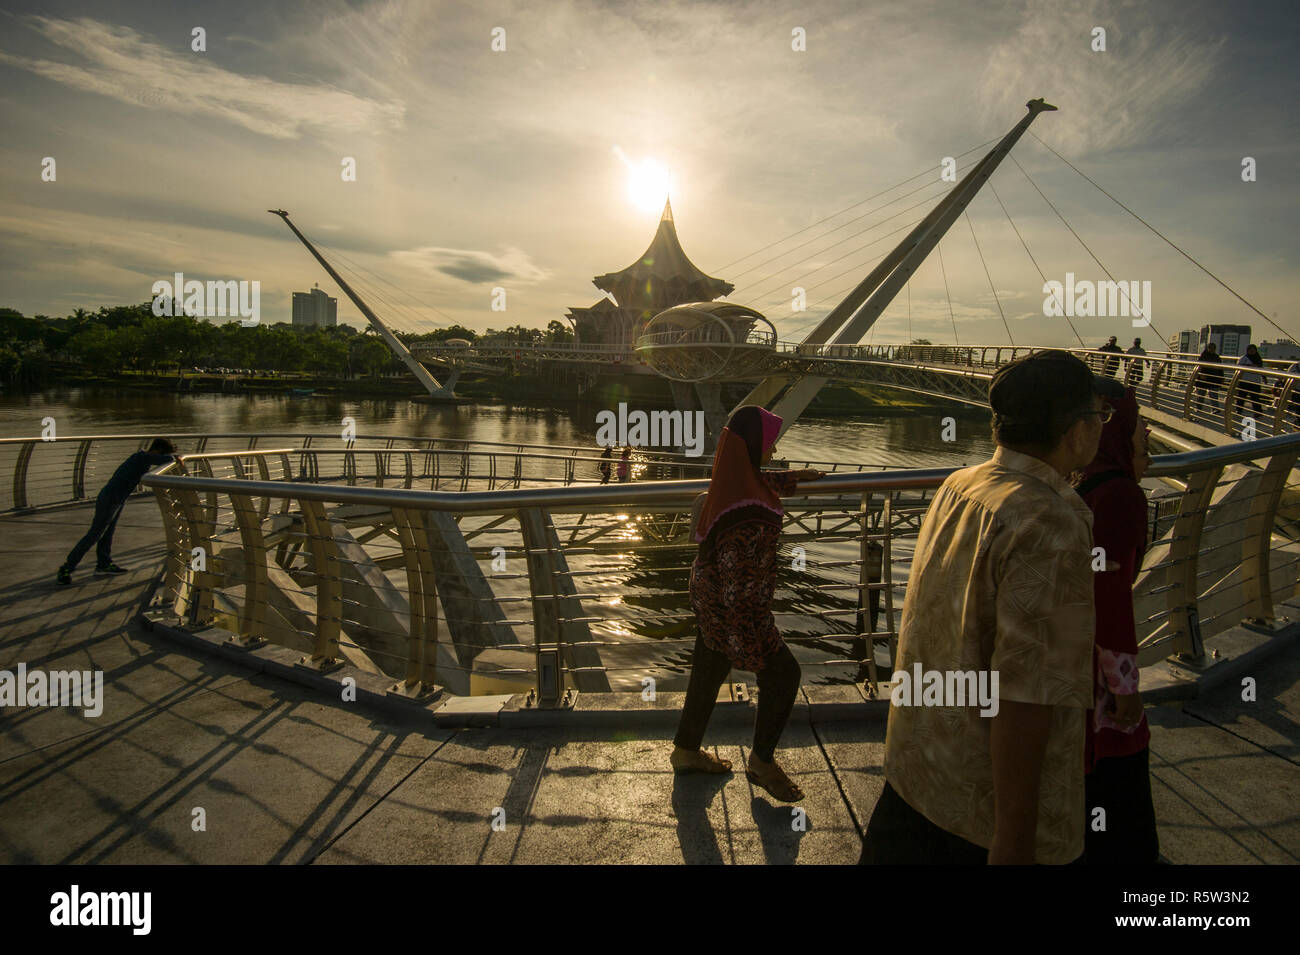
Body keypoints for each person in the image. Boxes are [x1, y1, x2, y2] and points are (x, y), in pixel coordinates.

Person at [860, 350, 1124, 864]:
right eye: (1099, 414)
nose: (1102, 426)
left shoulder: (962, 484)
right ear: (1075, 431)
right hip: (978, 815)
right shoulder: (1050, 523)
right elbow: (1027, 693)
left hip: (918, 771)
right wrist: (1014, 840)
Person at [670, 406, 824, 801]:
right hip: (732, 606)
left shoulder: (735, 480)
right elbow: (738, 586)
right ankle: (761, 762)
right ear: (753, 447)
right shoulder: (749, 516)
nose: (773, 449)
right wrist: (748, 643)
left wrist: (793, 478)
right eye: (769, 443)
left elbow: (758, 478)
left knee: (709, 663)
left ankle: (686, 750)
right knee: (784, 674)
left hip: (708, 592)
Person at [1072, 386, 1160, 864]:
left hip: (1068, 657)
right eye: (1136, 427)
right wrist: (1125, 685)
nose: (1144, 435)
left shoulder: (1073, 481)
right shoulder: (1122, 496)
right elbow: (1109, 595)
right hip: (1099, 673)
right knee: (1119, 758)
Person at [57, 438, 176, 584]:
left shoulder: (141, 457)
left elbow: (164, 458)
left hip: (116, 499)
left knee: (107, 534)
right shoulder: (142, 457)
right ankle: (66, 568)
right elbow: (168, 459)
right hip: (110, 500)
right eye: (162, 453)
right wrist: (176, 458)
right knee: (95, 534)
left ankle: (103, 564)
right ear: (157, 450)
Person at [1235, 343, 1267, 423]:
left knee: (1255, 397)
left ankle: (1258, 412)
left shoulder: (1258, 359)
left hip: (1255, 381)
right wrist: (1249, 365)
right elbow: (1238, 367)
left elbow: (1261, 369)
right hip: (1244, 380)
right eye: (1250, 350)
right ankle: (1238, 410)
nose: (1252, 351)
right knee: (1241, 396)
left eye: (1253, 350)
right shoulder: (1243, 358)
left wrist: (1264, 377)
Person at [1192, 342, 1223, 417]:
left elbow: (1220, 368)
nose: (1212, 350)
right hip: (1203, 378)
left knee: (1213, 394)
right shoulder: (1203, 356)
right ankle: (1198, 408)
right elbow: (1199, 366)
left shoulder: (1216, 357)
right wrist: (1201, 374)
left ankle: (1215, 409)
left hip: (1213, 378)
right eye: (1210, 348)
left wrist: (1221, 377)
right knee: (1201, 394)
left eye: (1213, 348)